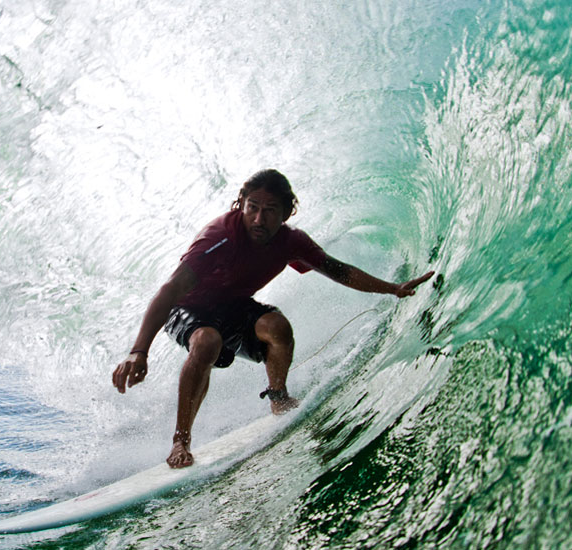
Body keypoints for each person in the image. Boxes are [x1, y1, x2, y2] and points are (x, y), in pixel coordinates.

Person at [112, 169, 434, 469]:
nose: (258, 219)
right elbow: (170, 290)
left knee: (277, 327)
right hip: (188, 309)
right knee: (207, 341)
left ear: (287, 213)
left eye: (270, 210)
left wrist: (392, 289)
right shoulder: (219, 237)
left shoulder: (290, 242)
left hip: (233, 306)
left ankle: (278, 397)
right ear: (241, 203)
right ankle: (181, 441)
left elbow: (338, 271)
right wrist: (139, 351)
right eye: (252, 207)